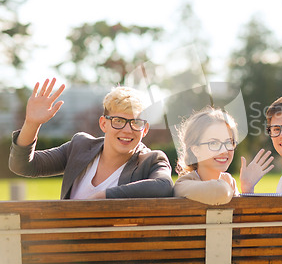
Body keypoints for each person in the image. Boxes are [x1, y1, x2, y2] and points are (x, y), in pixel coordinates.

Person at [9, 78, 174, 199]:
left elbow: (164, 186)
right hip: (67, 243)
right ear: (103, 124)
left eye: (135, 123)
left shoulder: (151, 161)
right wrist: (31, 123)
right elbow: (23, 166)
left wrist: (103, 196)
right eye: (118, 121)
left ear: (144, 129)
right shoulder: (79, 147)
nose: (127, 130)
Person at [174, 106, 274, 205]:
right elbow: (220, 191)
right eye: (214, 143)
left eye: (228, 143)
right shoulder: (183, 184)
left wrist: (247, 188)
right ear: (196, 150)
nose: (224, 150)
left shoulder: (229, 181)